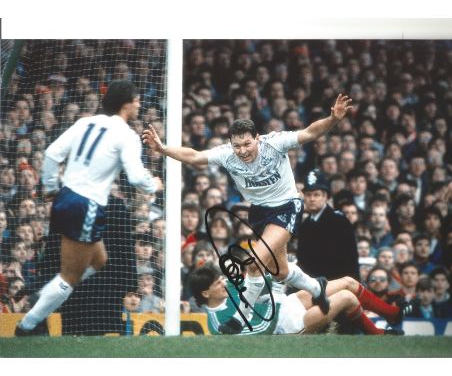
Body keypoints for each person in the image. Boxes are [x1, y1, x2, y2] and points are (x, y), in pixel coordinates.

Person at [144, 94, 354, 334]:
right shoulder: (226, 154)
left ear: (257, 138)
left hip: (287, 206)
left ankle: (239, 317)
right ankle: (318, 289)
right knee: (281, 271)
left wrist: (332, 119)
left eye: (247, 144)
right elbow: (194, 156)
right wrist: (162, 149)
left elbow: (309, 133)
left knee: (255, 262)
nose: (242, 150)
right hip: (260, 212)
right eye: (237, 145)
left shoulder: (275, 142)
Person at [15, 80, 159, 336]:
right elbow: (137, 178)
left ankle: (46, 293)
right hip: (87, 205)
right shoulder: (126, 134)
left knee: (100, 260)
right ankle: (28, 324)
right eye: (137, 99)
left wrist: (50, 188)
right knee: (70, 276)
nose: (139, 104)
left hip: (65, 198)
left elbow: (51, 153)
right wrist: (154, 184)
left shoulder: (85, 122)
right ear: (126, 103)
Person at [188, 263, 409, 335]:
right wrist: (275, 293)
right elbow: (261, 331)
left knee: (348, 281)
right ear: (205, 294)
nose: (224, 283)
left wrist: (274, 272)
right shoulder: (218, 322)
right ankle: (378, 335)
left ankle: (393, 314)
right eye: (218, 283)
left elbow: (260, 286)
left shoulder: (232, 290)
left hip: (286, 305)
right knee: (346, 297)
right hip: (286, 326)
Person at [296, 168, 359, 281]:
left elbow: (348, 260)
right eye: (308, 195)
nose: (311, 199)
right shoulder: (305, 225)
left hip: (337, 284)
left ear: (326, 197)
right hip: (312, 286)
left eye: (316, 195)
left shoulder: (339, 221)